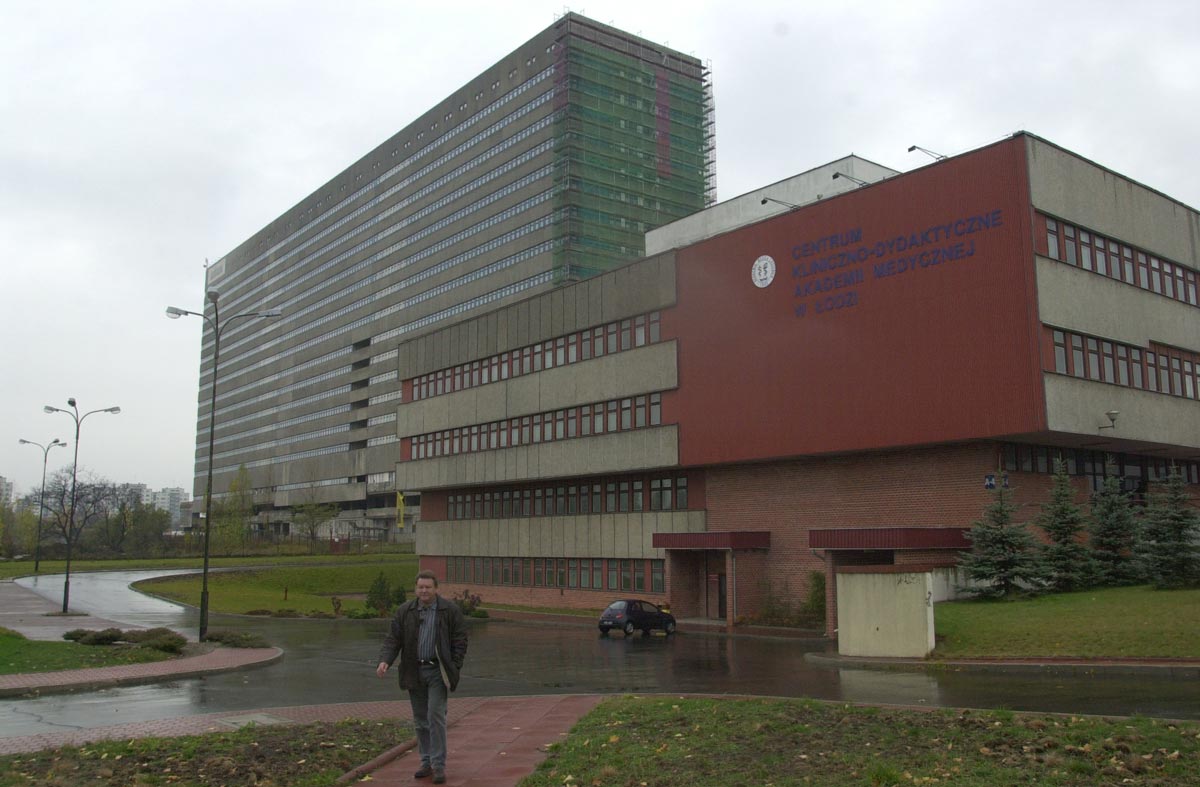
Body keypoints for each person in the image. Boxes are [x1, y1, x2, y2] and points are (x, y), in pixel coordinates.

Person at [376, 571, 469, 784]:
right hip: (414, 671)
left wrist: (454, 665)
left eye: (428, 587)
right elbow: (393, 639)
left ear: (436, 589)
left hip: (438, 672)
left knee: (435, 715)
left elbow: (460, 639)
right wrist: (385, 661)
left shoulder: (449, 611)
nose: (424, 591)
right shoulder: (405, 611)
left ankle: (438, 765)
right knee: (420, 720)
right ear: (415, 589)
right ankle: (426, 762)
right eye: (421, 587)